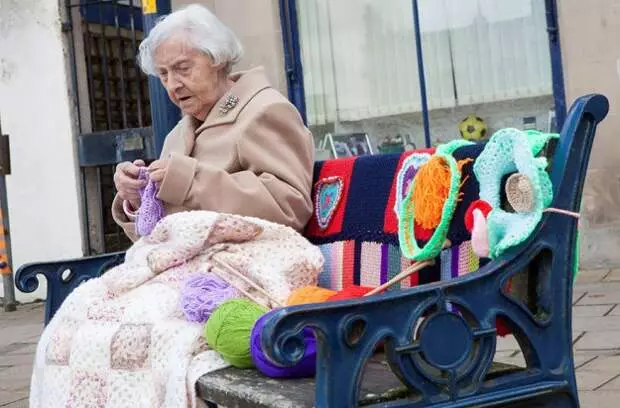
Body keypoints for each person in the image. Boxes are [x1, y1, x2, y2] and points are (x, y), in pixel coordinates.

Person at [112, 4, 314, 241]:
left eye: (183, 68)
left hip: (246, 267)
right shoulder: (176, 135)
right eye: (164, 74)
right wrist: (138, 198)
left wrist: (191, 181)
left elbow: (289, 208)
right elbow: (158, 237)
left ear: (218, 57)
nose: (172, 84)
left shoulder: (265, 110)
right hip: (187, 267)